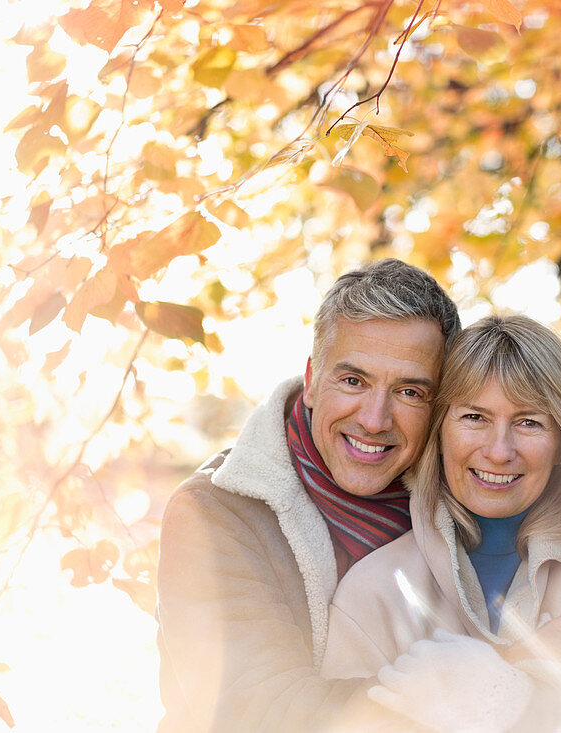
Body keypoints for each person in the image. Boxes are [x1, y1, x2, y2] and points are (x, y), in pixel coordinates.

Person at [321, 314, 561, 730]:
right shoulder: (376, 592)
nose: (499, 451)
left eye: (529, 422)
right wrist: (531, 674)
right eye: (474, 417)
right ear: (439, 433)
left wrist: (511, 697)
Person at [155, 258, 459, 732]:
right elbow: (256, 711)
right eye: (353, 381)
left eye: (410, 392)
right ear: (313, 379)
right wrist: (491, 675)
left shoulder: (456, 509)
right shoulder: (214, 512)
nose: (375, 419)